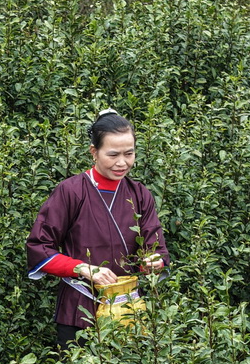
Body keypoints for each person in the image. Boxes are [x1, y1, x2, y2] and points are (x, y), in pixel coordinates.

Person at [26, 109, 170, 349]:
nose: (122, 163)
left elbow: (156, 248)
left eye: (129, 153)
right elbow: (39, 247)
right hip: (79, 309)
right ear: (94, 152)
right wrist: (82, 268)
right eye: (112, 155)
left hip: (128, 309)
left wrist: (154, 261)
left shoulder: (140, 194)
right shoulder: (71, 191)